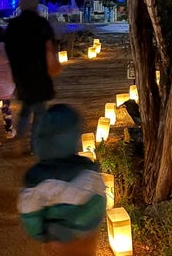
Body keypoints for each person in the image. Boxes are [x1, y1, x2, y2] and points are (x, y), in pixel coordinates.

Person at [18, 104, 107, 256]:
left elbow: (29, 213)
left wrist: (41, 234)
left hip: (56, 242)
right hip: (86, 241)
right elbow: (99, 200)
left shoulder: (38, 179)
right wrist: (86, 226)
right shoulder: (88, 171)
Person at [5, 0, 60, 154]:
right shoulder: (41, 24)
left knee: (27, 106)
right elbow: (51, 47)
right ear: (35, 4)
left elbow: (9, 49)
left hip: (21, 73)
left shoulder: (14, 25)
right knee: (39, 111)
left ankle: (21, 139)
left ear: (21, 4)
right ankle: (34, 145)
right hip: (40, 73)